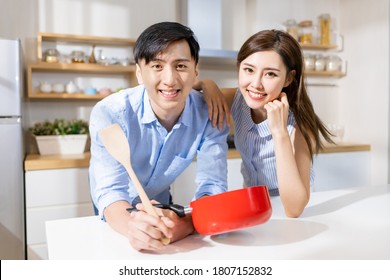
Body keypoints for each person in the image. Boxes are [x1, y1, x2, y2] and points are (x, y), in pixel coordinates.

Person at [88, 22, 229, 251]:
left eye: (181, 66)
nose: (170, 79)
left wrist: (187, 224)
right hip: (116, 204)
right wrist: (131, 226)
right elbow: (111, 191)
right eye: (157, 66)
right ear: (139, 73)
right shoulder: (110, 113)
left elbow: (212, 186)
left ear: (195, 71)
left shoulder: (209, 114)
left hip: (158, 195)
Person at [199, 29, 334, 218]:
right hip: (253, 204)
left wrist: (279, 133)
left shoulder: (300, 125)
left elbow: (294, 209)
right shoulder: (238, 99)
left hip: (287, 213)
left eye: (270, 74)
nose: (256, 84)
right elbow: (186, 92)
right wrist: (208, 84)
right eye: (248, 70)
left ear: (288, 78)